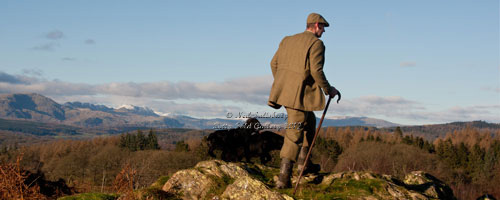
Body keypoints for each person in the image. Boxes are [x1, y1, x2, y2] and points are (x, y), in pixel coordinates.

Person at [268, 13, 340, 189]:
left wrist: (283, 84)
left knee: (309, 123)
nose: (323, 32)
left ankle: (304, 165)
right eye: (322, 27)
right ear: (316, 25)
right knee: (294, 134)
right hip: (298, 96)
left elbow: (273, 63)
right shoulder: (316, 43)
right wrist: (328, 89)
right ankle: (283, 179)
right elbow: (316, 70)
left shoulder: (287, 40)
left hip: (286, 93)